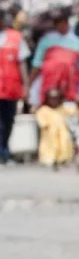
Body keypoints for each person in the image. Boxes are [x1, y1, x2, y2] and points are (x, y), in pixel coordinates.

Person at [0, 9, 30, 164]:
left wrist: (26, 86)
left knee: (8, 121)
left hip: (10, 88)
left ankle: (5, 148)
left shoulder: (16, 38)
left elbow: (22, 63)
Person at [35, 87, 76, 168]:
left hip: (63, 134)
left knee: (64, 144)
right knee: (49, 147)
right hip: (49, 135)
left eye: (56, 98)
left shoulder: (63, 108)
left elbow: (74, 112)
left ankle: (63, 159)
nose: (54, 101)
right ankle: (48, 160)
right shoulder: (43, 110)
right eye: (51, 98)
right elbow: (41, 121)